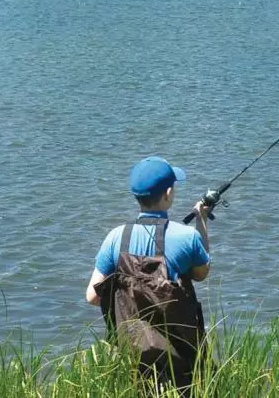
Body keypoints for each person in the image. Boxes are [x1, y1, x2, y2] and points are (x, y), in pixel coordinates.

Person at [86, 157, 212, 393]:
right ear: (167, 194)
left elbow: (92, 296)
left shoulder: (116, 237)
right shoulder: (187, 237)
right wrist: (202, 222)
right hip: (181, 360)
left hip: (133, 357)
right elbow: (201, 274)